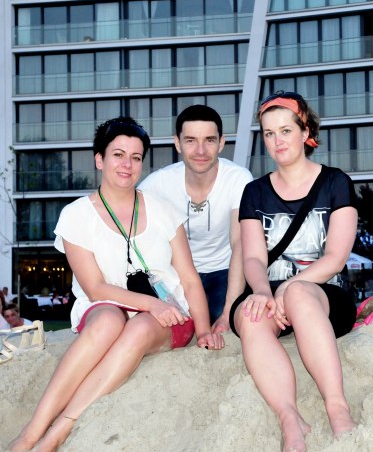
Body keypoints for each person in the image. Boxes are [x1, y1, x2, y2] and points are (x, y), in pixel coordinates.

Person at [8, 117, 224, 452]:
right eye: (118, 155)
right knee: (109, 319)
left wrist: (205, 329)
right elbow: (94, 287)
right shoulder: (76, 215)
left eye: (136, 157)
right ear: (100, 159)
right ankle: (31, 433)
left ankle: (59, 431)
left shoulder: (163, 210)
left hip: (168, 316)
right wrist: (150, 303)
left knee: (138, 328)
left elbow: (190, 279)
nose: (127, 165)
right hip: (106, 307)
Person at [229, 91, 373, 452]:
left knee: (297, 293)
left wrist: (288, 287)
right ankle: (289, 417)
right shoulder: (254, 192)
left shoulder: (335, 183)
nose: (277, 141)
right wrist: (262, 291)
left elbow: (336, 258)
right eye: (269, 133)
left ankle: (337, 407)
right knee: (251, 315)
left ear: (305, 131)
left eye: (285, 131)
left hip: (323, 294)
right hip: (268, 290)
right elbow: (252, 259)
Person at [139, 104, 253, 332]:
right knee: (177, 327)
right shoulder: (156, 184)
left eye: (209, 140)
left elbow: (240, 243)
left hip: (225, 271)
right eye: (190, 140)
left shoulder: (238, 179)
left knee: (232, 321)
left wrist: (228, 313)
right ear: (177, 143)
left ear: (221, 143)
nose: (200, 151)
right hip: (177, 275)